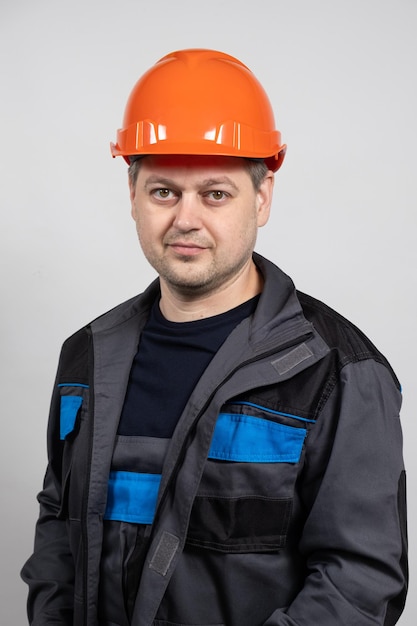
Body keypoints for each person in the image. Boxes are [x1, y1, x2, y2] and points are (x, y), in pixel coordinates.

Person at [21, 49, 408, 626]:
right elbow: (59, 525)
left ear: (263, 197)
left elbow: (358, 581)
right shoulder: (86, 355)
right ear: (132, 196)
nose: (185, 218)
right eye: (163, 192)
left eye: (216, 194)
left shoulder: (336, 371)